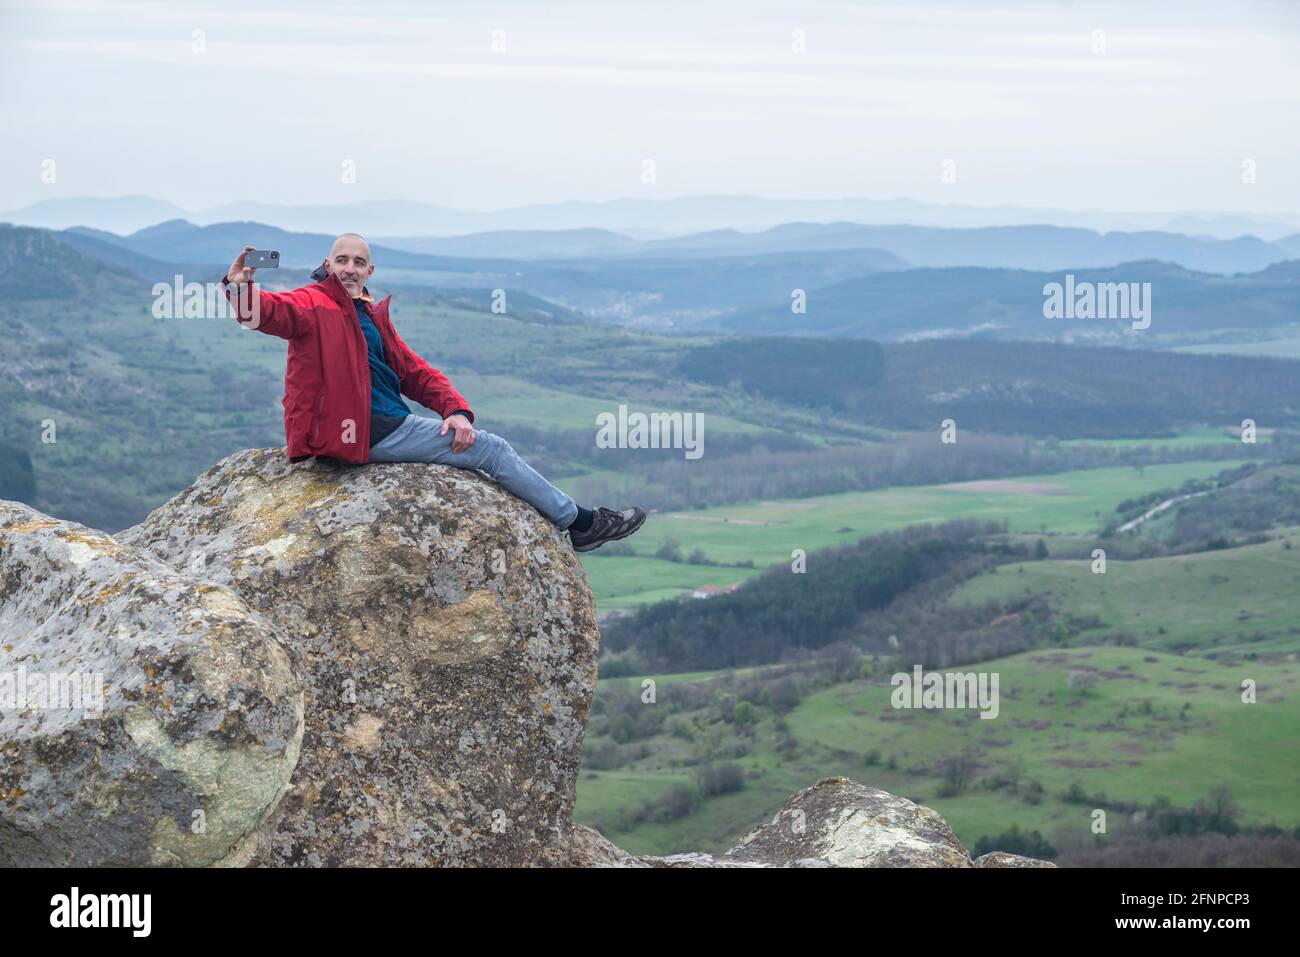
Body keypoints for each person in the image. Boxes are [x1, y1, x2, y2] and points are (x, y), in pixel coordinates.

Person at [220, 234, 645, 552]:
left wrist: (456, 410)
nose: (350, 268)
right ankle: (581, 523)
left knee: (478, 441)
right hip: (361, 431)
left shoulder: (368, 314)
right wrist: (241, 287)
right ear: (328, 266)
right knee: (491, 452)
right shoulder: (313, 304)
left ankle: (578, 520)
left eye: (359, 262)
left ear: (371, 272)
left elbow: (415, 373)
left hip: (380, 426)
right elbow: (268, 314)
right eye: (342, 260)